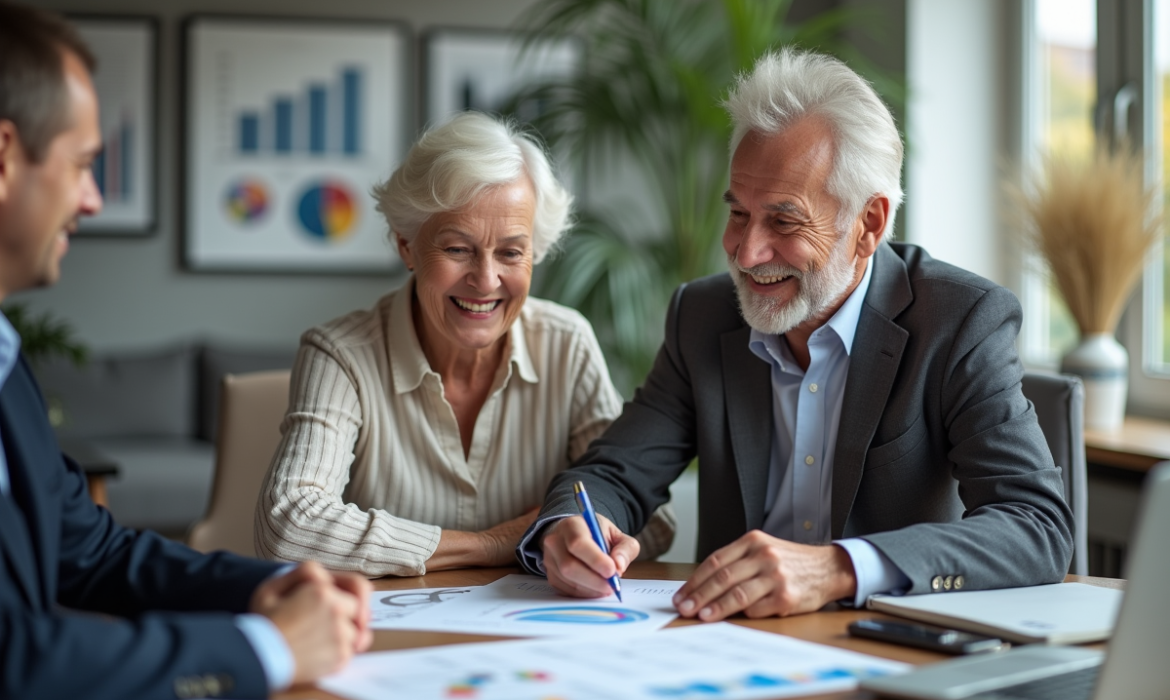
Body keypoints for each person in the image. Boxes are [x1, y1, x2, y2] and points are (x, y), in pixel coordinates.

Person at [520, 47, 1074, 620]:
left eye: (784, 221)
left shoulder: (959, 322)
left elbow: (1036, 526)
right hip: (729, 651)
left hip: (884, 650)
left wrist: (839, 567)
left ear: (868, 223)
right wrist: (568, 528)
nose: (747, 251)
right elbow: (613, 473)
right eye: (738, 213)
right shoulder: (703, 314)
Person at [0, 3, 372, 697]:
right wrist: (266, 647)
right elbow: (14, 658)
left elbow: (92, 552)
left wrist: (270, 583)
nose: (93, 199)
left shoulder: (5, 362)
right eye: (82, 164)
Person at [255, 111, 674, 577]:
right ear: (407, 245)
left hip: (532, 630)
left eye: (512, 252)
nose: (486, 279)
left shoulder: (566, 344)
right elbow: (288, 526)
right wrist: (494, 543)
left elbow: (651, 524)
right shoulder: (341, 354)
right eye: (457, 249)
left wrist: (580, 531)